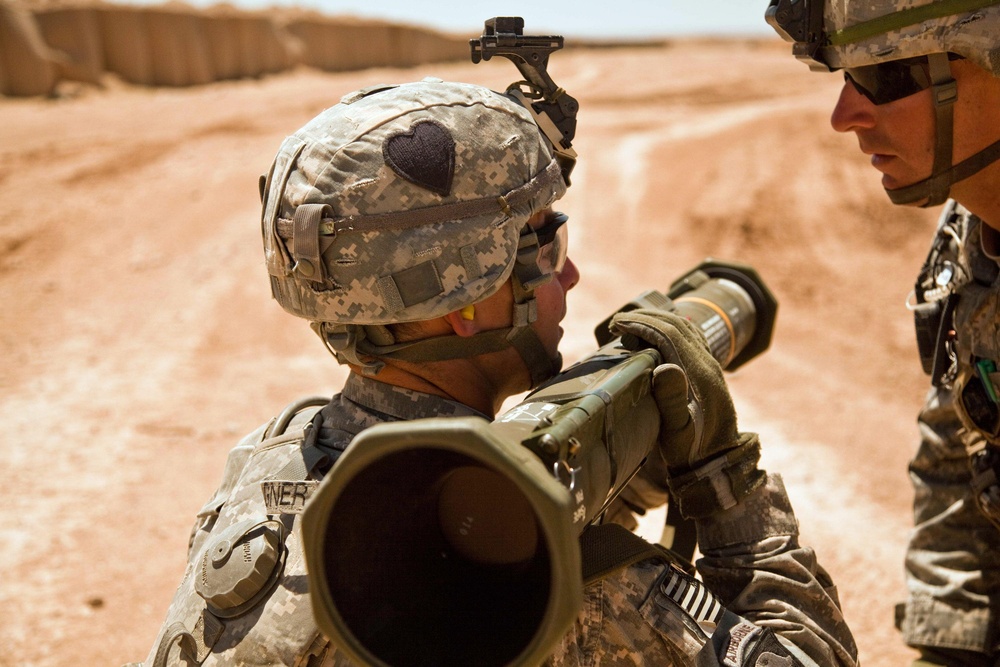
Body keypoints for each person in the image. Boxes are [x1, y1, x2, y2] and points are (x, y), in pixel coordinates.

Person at [133, 74, 856, 666]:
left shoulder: (273, 457)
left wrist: (617, 468)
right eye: (542, 245)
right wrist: (723, 479)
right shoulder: (550, 589)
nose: (569, 273)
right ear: (466, 301)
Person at [766, 0, 1000, 664]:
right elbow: (961, 443)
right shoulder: (970, 234)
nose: (845, 116)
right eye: (846, 77)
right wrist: (951, 642)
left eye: (887, 77)